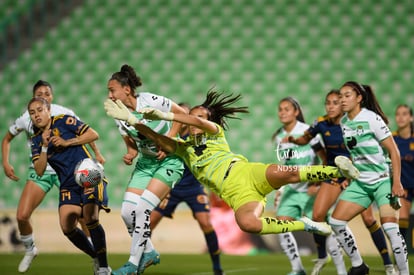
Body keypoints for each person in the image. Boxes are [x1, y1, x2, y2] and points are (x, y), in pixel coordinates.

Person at [104, 89, 361, 243]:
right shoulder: (182, 148)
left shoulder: (214, 131)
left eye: (200, 116)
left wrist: (166, 114)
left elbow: (198, 121)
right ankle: (304, 223)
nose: (196, 120)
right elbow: (160, 139)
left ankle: (339, 170)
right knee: (247, 223)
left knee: (287, 173)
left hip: (248, 172)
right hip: (237, 195)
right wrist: (133, 121)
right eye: (193, 117)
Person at [1, 80, 105, 273]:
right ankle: (30, 250)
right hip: (43, 170)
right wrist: (5, 162)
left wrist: (96, 154)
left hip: (68, 170)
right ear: (34, 97)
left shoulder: (65, 113)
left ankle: (97, 258)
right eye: (39, 93)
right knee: (22, 215)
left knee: (84, 217)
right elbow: (7, 138)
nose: (44, 96)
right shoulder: (27, 118)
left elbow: (86, 132)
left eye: (47, 93)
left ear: (51, 98)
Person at [289, 90, 396, 275]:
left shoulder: (352, 124)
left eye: (335, 103)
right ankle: (323, 256)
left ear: (343, 105)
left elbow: (366, 152)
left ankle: (388, 265)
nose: (330, 106)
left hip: (357, 174)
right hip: (334, 174)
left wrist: (351, 177)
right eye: (327, 103)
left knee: (369, 219)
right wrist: (294, 140)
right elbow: (307, 139)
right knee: (317, 215)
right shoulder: (321, 123)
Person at [106, 64, 186, 275]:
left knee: (142, 209)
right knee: (126, 213)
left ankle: (133, 264)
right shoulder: (118, 115)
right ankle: (149, 251)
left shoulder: (149, 100)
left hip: (169, 161)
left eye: (112, 90)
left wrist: (169, 141)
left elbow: (181, 113)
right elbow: (132, 145)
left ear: (127, 90)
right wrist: (130, 154)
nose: (109, 95)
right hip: (145, 165)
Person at [328, 81, 409, 275]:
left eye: (347, 95)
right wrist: (349, 173)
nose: (342, 99)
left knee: (391, 229)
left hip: (383, 181)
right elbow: (356, 153)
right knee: (336, 222)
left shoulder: (372, 119)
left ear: (359, 98)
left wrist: (396, 182)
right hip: (361, 183)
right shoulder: (344, 122)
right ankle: (359, 265)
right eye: (341, 96)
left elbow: (394, 152)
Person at [28, 97, 111, 274]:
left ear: (48, 110)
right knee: (67, 226)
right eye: (32, 113)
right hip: (67, 183)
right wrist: (44, 146)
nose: (37, 115)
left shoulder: (65, 121)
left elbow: (93, 134)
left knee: (91, 219)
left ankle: (104, 267)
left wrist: (67, 142)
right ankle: (95, 256)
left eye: (39, 110)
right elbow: (40, 170)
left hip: (88, 175)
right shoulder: (35, 141)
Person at [150, 103, 224, 275]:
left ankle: (217, 268)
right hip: (172, 188)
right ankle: (139, 259)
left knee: (206, 223)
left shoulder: (202, 136)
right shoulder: (172, 137)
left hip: (193, 188)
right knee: (149, 223)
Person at [272, 96, 333, 275]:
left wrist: (319, 183)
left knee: (324, 228)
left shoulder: (307, 131)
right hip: (292, 190)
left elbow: (324, 158)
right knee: (280, 226)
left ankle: (338, 262)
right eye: (280, 109)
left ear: (296, 112)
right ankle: (297, 269)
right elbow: (285, 166)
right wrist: (280, 189)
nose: (282, 112)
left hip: (310, 190)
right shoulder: (279, 137)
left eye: (287, 109)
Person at [393, 104, 414, 241]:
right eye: (398, 114)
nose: (401, 117)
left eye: (405, 114)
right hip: (404, 187)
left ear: (411, 118)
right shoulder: (391, 139)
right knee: (402, 218)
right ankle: (400, 254)